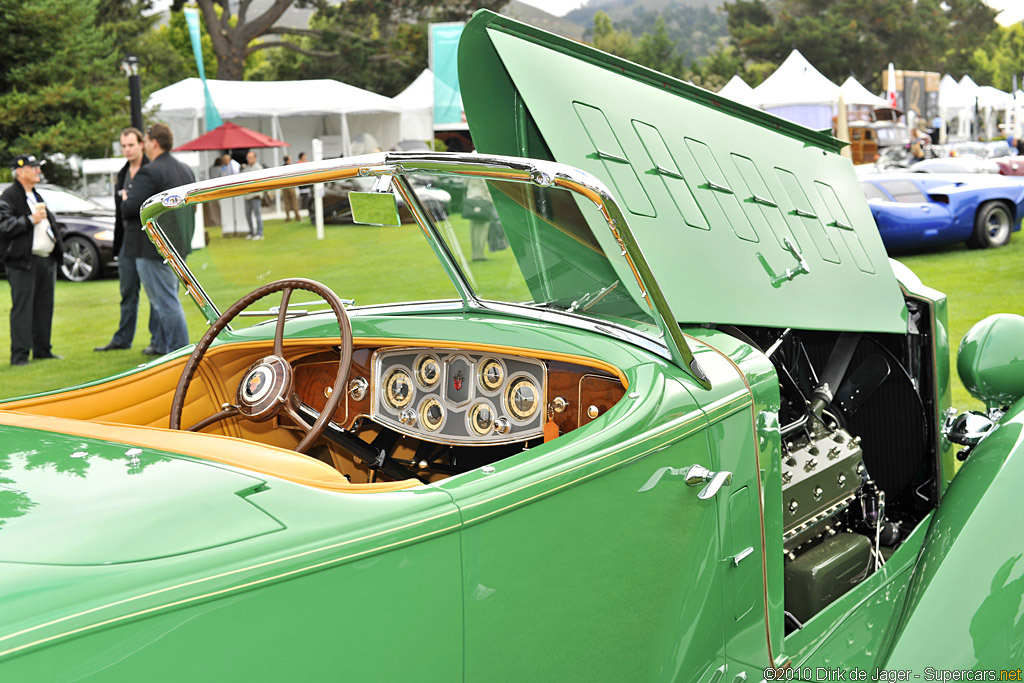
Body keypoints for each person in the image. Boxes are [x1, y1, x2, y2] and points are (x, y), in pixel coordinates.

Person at [121, 123, 195, 356]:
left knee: (165, 302)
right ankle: (164, 346)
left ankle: (179, 351)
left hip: (154, 247)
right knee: (166, 299)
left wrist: (124, 199)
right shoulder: (185, 170)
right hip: (179, 244)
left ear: (153, 142)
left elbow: (131, 207)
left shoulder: (150, 172)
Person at [95, 127, 156, 352]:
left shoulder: (152, 170)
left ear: (142, 144)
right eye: (123, 146)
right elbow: (119, 214)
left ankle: (156, 341)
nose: (127, 150)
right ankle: (122, 339)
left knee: (155, 295)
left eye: (131, 145)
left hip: (148, 242)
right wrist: (117, 246)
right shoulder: (122, 173)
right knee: (127, 293)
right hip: (126, 244)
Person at [0, 154, 64, 365]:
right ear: (20, 171)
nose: (38, 170)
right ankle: (19, 355)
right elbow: (4, 225)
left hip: (45, 260)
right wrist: (29, 220)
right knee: (23, 308)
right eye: (33, 167)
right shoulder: (10, 195)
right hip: (22, 261)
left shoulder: (35, 195)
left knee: (44, 306)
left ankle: (42, 350)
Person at [243, 151, 265, 240]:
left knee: (257, 214)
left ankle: (259, 233)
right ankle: (251, 232)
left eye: (251, 157)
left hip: (255, 194)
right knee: (248, 214)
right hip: (247, 195)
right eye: (248, 158)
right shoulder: (246, 168)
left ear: (255, 158)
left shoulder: (258, 168)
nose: (249, 159)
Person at [281, 154, 299, 221]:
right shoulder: (291, 167)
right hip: (291, 186)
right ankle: (297, 217)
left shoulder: (281, 167)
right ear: (288, 159)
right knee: (294, 202)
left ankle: (288, 218)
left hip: (284, 187)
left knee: (287, 203)